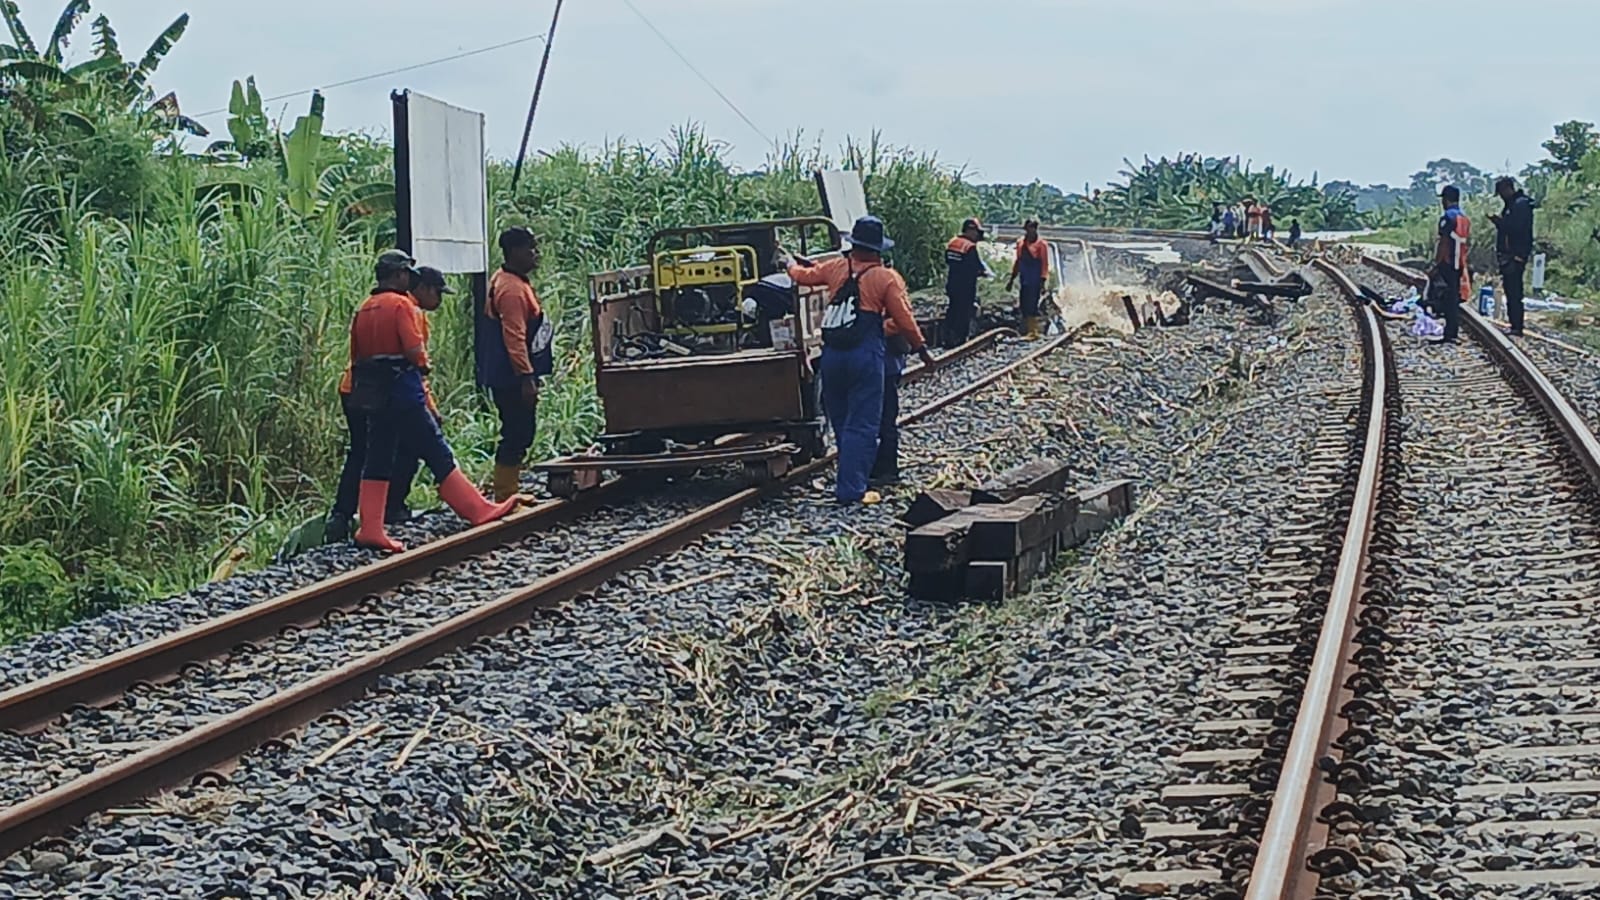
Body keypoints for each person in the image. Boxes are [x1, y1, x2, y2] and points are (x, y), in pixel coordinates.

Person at [346, 251, 518, 552]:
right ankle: (476, 509)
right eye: (406, 275)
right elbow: (413, 349)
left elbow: (356, 354)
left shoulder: (365, 308)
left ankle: (370, 527)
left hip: (373, 393)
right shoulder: (401, 305)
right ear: (398, 275)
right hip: (403, 391)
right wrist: (423, 363)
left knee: (378, 457)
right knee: (435, 449)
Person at [789, 216, 933, 505]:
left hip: (832, 356)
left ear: (853, 244)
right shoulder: (885, 277)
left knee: (842, 420)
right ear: (878, 249)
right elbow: (904, 319)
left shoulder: (836, 268)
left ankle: (850, 474)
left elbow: (803, 276)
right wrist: (922, 349)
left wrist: (788, 264)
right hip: (864, 356)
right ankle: (852, 489)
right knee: (864, 423)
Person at [325, 263, 450, 541]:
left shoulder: (371, 305)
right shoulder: (408, 309)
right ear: (423, 288)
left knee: (361, 453)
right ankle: (393, 507)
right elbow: (415, 365)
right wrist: (430, 408)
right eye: (438, 292)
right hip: (385, 391)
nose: (439, 300)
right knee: (408, 448)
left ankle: (342, 515)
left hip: (355, 388)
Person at [477, 226, 553, 502]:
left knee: (518, 429)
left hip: (510, 374)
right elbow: (514, 336)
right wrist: (526, 377)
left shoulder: (511, 281)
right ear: (515, 252)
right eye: (530, 248)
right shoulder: (510, 289)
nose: (536, 254)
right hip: (511, 376)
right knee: (518, 430)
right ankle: (506, 494)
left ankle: (510, 489)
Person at [1490, 176, 1535, 336]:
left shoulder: (1520, 205)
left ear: (1508, 189)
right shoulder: (1512, 206)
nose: (1501, 196)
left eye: (1502, 192)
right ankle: (1514, 324)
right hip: (1509, 256)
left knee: (1515, 292)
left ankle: (1517, 326)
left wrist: (1500, 223)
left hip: (1515, 256)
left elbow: (1517, 229)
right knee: (1510, 290)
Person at [1428, 185, 1471, 345]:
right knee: (1453, 297)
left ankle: (1449, 334)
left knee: (1445, 298)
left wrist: (1436, 264)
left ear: (1446, 199)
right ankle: (1452, 331)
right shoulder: (1464, 218)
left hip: (1447, 262)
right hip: (1459, 263)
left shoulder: (1447, 217)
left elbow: (1444, 242)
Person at [941, 217, 990, 348]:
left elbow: (948, 261)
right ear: (970, 230)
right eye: (976, 232)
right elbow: (975, 267)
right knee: (963, 313)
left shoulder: (952, 243)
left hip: (952, 284)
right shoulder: (969, 247)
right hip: (966, 286)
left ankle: (948, 338)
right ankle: (960, 340)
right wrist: (983, 273)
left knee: (952, 310)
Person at [1007, 219, 1051, 340]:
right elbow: (1018, 261)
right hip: (1024, 279)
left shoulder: (1042, 245)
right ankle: (1026, 329)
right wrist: (1012, 279)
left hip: (1035, 279)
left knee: (1032, 305)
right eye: (1027, 228)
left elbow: (1044, 263)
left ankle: (1033, 331)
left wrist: (1043, 281)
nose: (1029, 231)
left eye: (1032, 228)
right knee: (1023, 305)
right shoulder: (1021, 243)